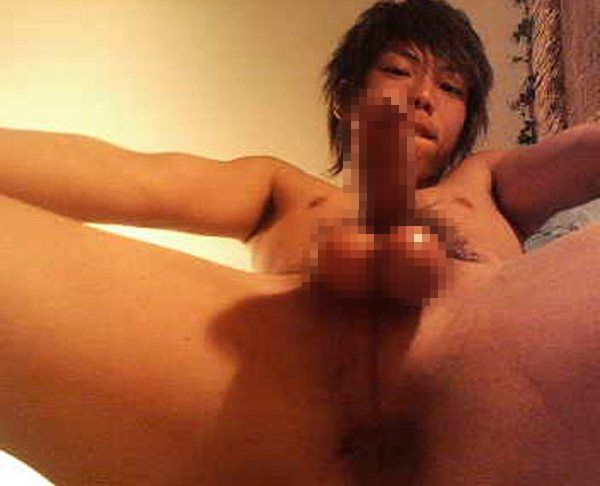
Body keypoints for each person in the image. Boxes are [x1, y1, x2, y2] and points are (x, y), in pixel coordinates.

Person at [1, 0, 599, 484]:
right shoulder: (280, 188)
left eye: (451, 88)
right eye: (398, 70)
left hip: (509, 366)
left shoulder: (483, 179)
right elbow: (137, 176)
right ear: (344, 98)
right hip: (269, 392)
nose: (423, 95)